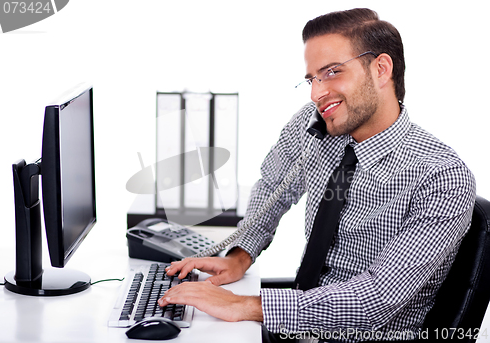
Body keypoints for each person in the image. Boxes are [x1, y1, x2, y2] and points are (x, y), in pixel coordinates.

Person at [158, 8, 476, 342]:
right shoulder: (315, 124)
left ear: (381, 69)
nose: (316, 94)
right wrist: (240, 255)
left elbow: (377, 299)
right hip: (299, 326)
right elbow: (273, 187)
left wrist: (247, 306)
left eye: (332, 72)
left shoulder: (442, 177)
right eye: (312, 79)